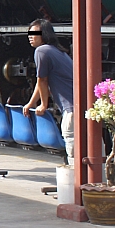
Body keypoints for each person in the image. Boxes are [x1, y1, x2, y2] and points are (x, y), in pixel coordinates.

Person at [23, 19, 74, 160]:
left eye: (34, 33)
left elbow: (42, 80)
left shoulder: (42, 51)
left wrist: (43, 105)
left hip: (71, 109)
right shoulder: (57, 51)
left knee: (74, 152)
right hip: (79, 108)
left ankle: (77, 182)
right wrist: (32, 103)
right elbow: (41, 82)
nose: (30, 36)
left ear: (44, 34)